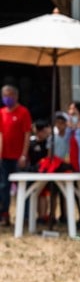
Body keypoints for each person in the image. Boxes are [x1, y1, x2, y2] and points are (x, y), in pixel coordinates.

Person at [0, 84, 33, 226]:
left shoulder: (23, 112)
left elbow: (27, 134)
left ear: (16, 96)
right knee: (3, 187)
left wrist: (24, 155)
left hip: (19, 157)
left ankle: (25, 216)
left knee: (23, 187)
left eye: (10, 95)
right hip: (4, 157)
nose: (7, 98)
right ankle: (5, 215)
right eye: (5, 95)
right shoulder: (1, 113)